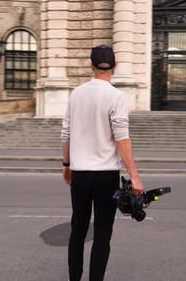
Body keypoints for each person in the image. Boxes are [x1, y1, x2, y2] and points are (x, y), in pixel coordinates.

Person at [60, 44, 145, 281]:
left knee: (77, 230)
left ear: (91, 66)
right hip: (106, 176)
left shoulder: (75, 94)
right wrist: (135, 176)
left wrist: (67, 165)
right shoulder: (116, 96)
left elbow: (65, 134)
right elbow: (122, 139)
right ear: (114, 67)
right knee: (102, 234)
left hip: (80, 174)